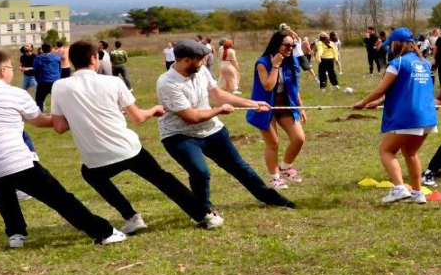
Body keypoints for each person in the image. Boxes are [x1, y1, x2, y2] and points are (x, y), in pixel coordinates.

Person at [45, 42, 224, 235]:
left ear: (71, 61)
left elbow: (60, 127)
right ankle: (204, 215)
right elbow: (138, 117)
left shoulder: (59, 86)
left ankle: (131, 216)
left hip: (95, 156)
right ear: (93, 59)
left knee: (91, 175)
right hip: (127, 148)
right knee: (163, 179)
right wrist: (154, 109)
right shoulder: (113, 82)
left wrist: (79, 115)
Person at [0, 49, 128, 247]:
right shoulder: (16, 94)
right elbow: (40, 122)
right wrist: (76, 116)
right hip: (11, 163)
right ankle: (103, 232)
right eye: (12, 69)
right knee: (58, 196)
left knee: (2, 187)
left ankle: (16, 234)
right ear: (4, 71)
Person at [156, 40, 296, 211]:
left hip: (211, 129)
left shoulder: (201, 71)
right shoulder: (167, 83)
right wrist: (219, 110)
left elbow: (218, 94)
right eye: (200, 59)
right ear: (185, 60)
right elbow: (191, 117)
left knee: (239, 167)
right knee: (200, 172)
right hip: (179, 135)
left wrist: (252, 103)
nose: (203, 63)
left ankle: (271, 198)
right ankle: (204, 211)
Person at [352, 28, 438, 204]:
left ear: (397, 43)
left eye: (390, 43)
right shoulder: (424, 63)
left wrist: (362, 102)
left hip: (408, 116)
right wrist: (380, 102)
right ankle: (417, 193)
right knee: (411, 152)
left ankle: (399, 188)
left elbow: (382, 88)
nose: (389, 47)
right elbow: (406, 89)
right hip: (428, 115)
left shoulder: (397, 63)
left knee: (387, 150)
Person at [248, 31, 307, 190]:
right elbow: (268, 85)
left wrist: (299, 107)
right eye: (287, 45)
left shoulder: (292, 61)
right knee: (273, 143)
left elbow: (294, 87)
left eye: (293, 46)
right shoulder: (262, 63)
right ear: (276, 45)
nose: (291, 48)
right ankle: (275, 178)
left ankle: (286, 167)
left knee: (299, 138)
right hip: (265, 108)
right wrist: (275, 65)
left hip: (286, 106)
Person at [32, 43, 62, 110]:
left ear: (42, 49)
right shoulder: (57, 58)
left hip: (43, 82)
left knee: (39, 101)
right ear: (51, 49)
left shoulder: (38, 58)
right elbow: (59, 69)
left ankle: (41, 117)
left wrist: (38, 80)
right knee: (58, 101)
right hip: (55, 82)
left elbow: (35, 70)